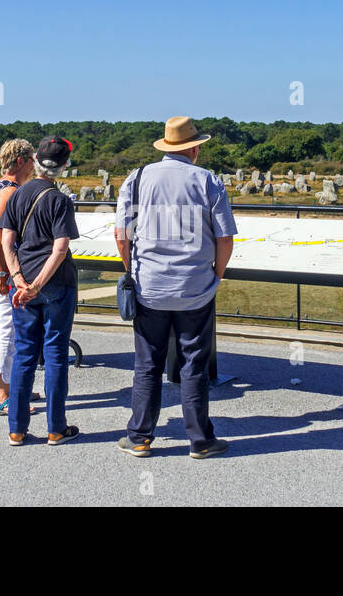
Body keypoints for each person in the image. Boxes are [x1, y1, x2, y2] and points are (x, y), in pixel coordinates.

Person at [114, 116, 236, 460]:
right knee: (194, 363)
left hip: (149, 286)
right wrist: (218, 274)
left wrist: (132, 270)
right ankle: (200, 440)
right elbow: (225, 237)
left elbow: (122, 235)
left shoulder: (136, 179)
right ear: (194, 148)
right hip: (195, 286)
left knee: (147, 363)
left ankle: (139, 436)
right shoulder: (208, 181)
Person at [0, 135, 81, 447]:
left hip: (22, 285)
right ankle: (55, 428)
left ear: (34, 161)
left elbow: (7, 241)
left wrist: (19, 279)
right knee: (55, 354)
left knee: (24, 354)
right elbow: (60, 250)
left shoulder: (17, 195)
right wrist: (38, 285)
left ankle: (17, 429)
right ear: (64, 166)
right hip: (56, 284)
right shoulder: (59, 200)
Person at [0, 138, 36, 416]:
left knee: (13, 329)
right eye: (30, 160)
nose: (33, 165)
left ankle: (13, 385)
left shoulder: (3, 187)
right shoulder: (10, 191)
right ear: (20, 162)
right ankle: (2, 394)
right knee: (8, 330)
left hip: (4, 265)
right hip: (3, 266)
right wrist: (3, 273)